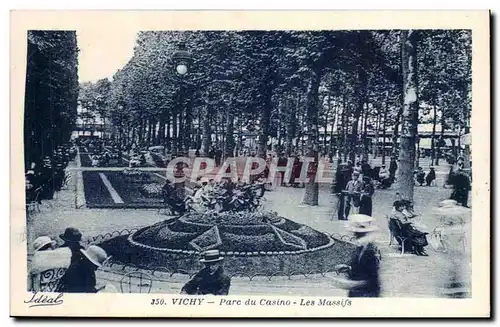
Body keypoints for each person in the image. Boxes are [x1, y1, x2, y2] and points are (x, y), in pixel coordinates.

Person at [330, 214, 381, 297]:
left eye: (357, 234)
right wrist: (348, 268)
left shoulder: (369, 252)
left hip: (365, 296)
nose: (354, 236)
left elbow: (371, 280)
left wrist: (348, 284)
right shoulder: (361, 248)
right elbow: (362, 268)